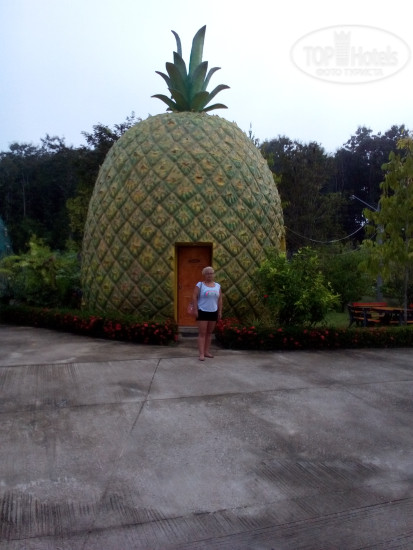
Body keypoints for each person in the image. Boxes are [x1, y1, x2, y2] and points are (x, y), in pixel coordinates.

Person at [192, 266, 222, 361]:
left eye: (211, 273)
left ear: (213, 274)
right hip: (202, 311)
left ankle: (206, 352)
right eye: (207, 273)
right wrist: (195, 310)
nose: (209, 275)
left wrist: (219, 311)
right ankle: (201, 354)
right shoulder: (200, 285)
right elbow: (194, 297)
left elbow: (220, 299)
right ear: (204, 275)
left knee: (209, 333)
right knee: (202, 333)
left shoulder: (218, 286)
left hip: (213, 311)